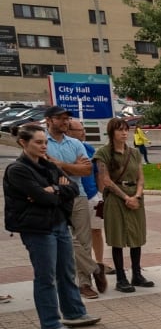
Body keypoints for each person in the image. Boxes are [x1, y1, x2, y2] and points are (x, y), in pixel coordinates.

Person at [3, 124, 102, 329]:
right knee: (46, 277)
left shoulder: (48, 165)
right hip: (37, 229)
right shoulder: (18, 169)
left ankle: (74, 313)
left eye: (45, 142)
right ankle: (50, 324)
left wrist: (55, 188)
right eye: (38, 142)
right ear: (23, 143)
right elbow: (42, 197)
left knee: (66, 271)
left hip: (59, 223)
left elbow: (73, 188)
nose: (43, 146)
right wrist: (53, 191)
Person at [43, 106, 99, 300]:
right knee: (64, 237)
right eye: (60, 118)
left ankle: (85, 283)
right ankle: (94, 268)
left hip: (78, 194)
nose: (65, 122)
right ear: (49, 120)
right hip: (53, 198)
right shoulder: (41, 142)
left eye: (66, 118)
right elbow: (43, 171)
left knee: (84, 240)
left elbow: (86, 171)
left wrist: (60, 165)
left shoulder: (75, 143)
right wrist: (71, 168)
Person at [95, 118, 153, 293]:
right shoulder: (103, 152)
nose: (124, 133)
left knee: (137, 236)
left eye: (126, 130)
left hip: (135, 196)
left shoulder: (134, 152)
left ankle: (137, 273)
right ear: (112, 132)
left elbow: (140, 177)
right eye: (120, 130)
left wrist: (136, 195)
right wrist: (125, 197)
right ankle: (121, 278)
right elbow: (106, 180)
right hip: (116, 198)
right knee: (117, 238)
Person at [67, 119, 106, 290]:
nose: (83, 132)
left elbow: (95, 172)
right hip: (70, 197)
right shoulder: (59, 146)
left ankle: (98, 263)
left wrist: (100, 193)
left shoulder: (89, 148)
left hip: (92, 196)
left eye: (83, 129)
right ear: (69, 131)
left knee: (95, 232)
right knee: (73, 239)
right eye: (79, 129)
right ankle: (92, 269)